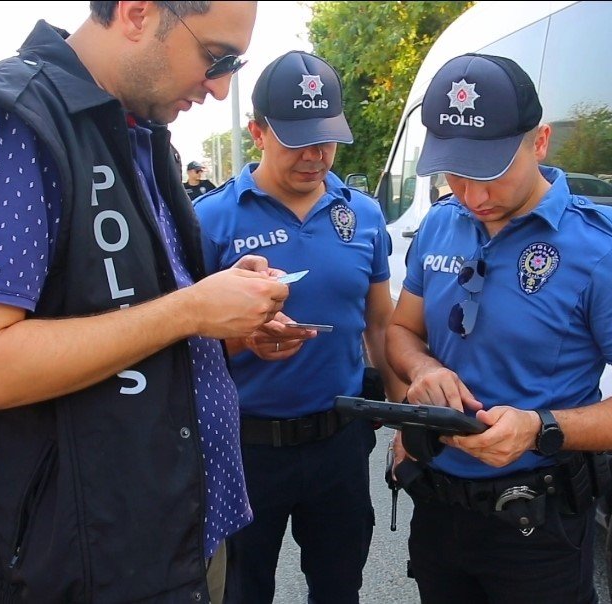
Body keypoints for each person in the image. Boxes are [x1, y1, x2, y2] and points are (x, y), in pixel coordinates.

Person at [0, 2, 286, 603]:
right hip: (90, 570)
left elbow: (127, 313)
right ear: (137, 13)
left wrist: (224, 318)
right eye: (215, 58)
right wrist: (189, 310)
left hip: (176, 546)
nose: (220, 88)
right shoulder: (11, 123)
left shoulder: (133, 131)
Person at [385, 53, 612, 604]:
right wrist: (423, 370)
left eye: (492, 171)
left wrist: (538, 427)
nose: (473, 196)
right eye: (456, 172)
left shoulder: (598, 250)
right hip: (438, 510)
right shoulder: (439, 223)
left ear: (539, 141)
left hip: (536, 529)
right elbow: (401, 332)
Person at [194, 50, 404, 604]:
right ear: (257, 131)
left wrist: (404, 417)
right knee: (242, 592)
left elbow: (380, 325)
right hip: (245, 449)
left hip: (339, 441)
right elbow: (180, 340)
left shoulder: (362, 214)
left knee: (339, 589)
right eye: (297, 140)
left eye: (327, 138)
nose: (315, 156)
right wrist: (243, 339)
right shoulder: (211, 219)